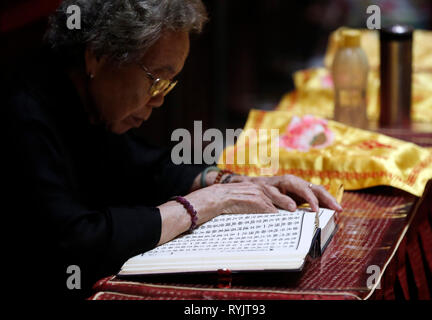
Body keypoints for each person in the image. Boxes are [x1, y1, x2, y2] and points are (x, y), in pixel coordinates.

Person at [3, 0, 342, 299]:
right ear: (98, 56)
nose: (160, 98)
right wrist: (199, 206)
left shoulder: (92, 101)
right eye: (155, 79)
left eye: (169, 82)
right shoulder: (23, 112)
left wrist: (229, 182)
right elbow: (76, 242)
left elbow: (144, 166)